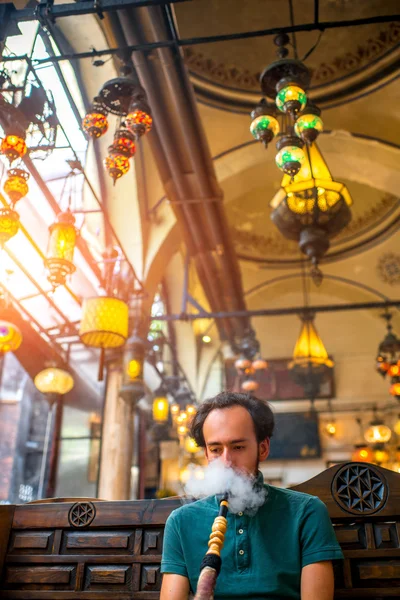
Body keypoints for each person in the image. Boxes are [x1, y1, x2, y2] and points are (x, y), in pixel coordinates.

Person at [160, 392, 343, 600]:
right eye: (216, 449)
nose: (226, 462)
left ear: (262, 449)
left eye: (238, 447)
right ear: (206, 454)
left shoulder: (306, 512)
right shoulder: (181, 522)